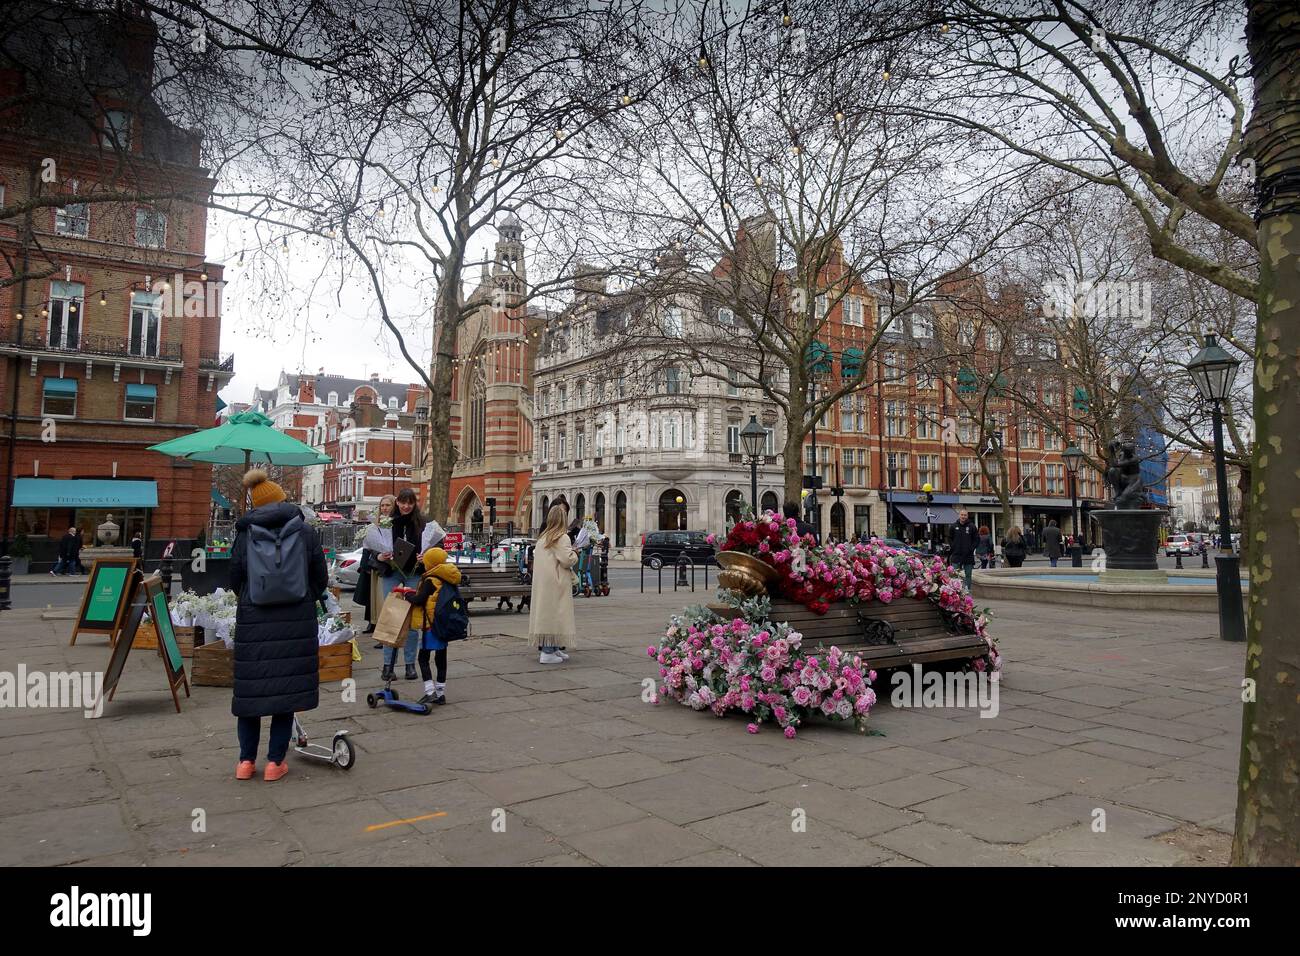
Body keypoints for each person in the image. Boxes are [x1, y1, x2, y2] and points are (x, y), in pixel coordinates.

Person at [229, 469, 328, 781]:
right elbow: (320, 578)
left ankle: (246, 763)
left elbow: (234, 577)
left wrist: (250, 597)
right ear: (282, 499)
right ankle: (274, 763)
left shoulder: (245, 534)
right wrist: (303, 596)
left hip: (254, 621)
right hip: (295, 620)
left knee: (250, 696)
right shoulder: (306, 532)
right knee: (285, 695)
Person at [366, 488, 445, 681]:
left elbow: (438, 547)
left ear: (414, 504)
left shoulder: (423, 523)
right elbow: (369, 552)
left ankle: (410, 665)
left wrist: (426, 556)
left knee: (411, 620)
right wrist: (379, 555)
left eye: (410, 503)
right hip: (392, 573)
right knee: (390, 617)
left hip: (413, 573)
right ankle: (388, 665)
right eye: (402, 502)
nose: (406, 506)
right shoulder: (386, 523)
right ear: (397, 503)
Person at [401, 546, 463, 707]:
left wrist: (407, 594)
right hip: (444, 624)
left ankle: (430, 692)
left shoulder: (430, 579)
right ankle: (441, 693)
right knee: (441, 659)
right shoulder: (448, 577)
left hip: (431, 625)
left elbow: (419, 599)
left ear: (429, 563)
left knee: (423, 658)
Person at [529, 504, 578, 664]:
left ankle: (554, 648)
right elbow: (567, 560)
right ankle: (548, 652)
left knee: (548, 614)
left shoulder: (544, 537)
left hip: (544, 582)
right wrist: (575, 553)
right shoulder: (561, 537)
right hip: (556, 582)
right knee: (555, 614)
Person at [358, 495, 397, 641]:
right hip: (377, 567)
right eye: (382, 505)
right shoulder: (374, 526)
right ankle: (377, 627)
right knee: (376, 602)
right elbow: (369, 548)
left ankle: (386, 633)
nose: (385, 508)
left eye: (388, 505)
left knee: (386, 602)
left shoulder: (397, 524)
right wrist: (376, 557)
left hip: (392, 570)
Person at [949, 510, 978, 590]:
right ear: (959, 515)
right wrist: (953, 547)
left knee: (968, 575)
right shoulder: (953, 526)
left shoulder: (972, 526)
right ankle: (955, 591)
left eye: (965, 515)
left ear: (967, 516)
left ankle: (967, 591)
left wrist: (971, 549)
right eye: (962, 515)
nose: (963, 516)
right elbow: (950, 538)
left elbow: (976, 539)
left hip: (968, 555)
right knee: (954, 575)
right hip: (956, 555)